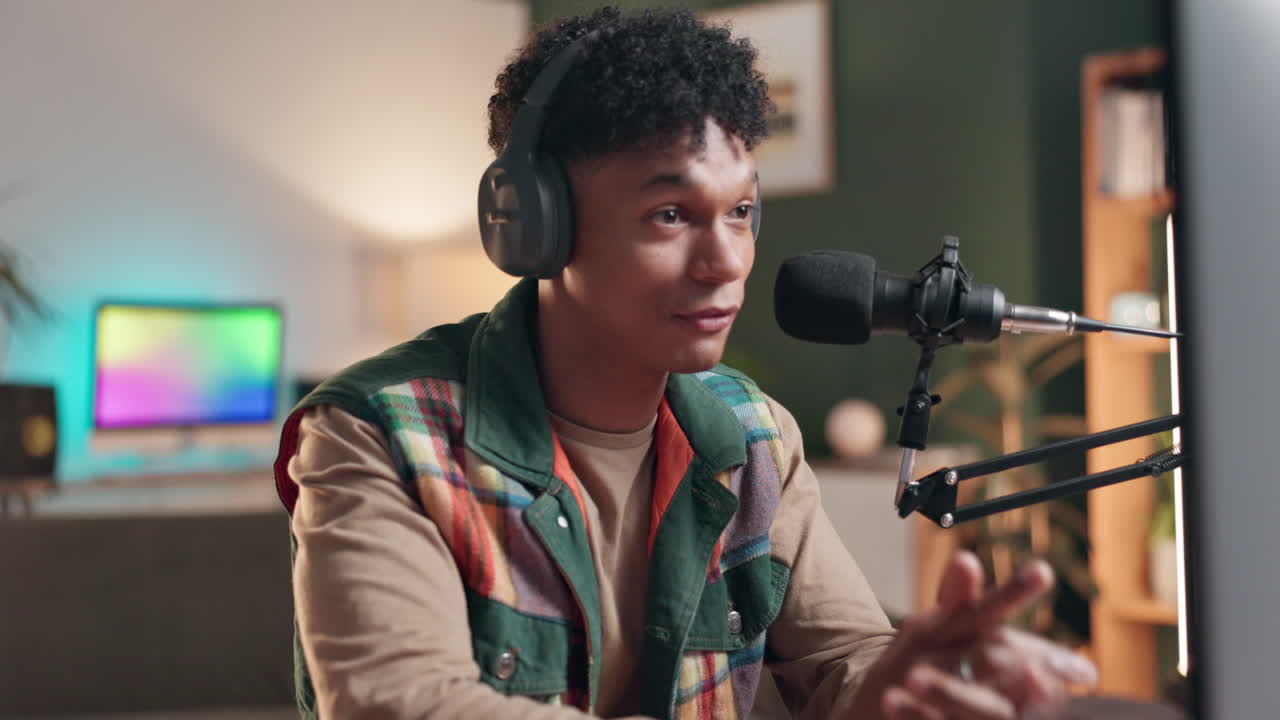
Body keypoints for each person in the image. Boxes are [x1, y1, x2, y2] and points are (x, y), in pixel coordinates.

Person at [273, 6, 1098, 719]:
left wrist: (913, 681)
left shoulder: (755, 435)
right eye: (671, 214)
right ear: (536, 228)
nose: (726, 260)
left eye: (740, 210)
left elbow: (844, 658)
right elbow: (398, 703)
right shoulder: (378, 434)